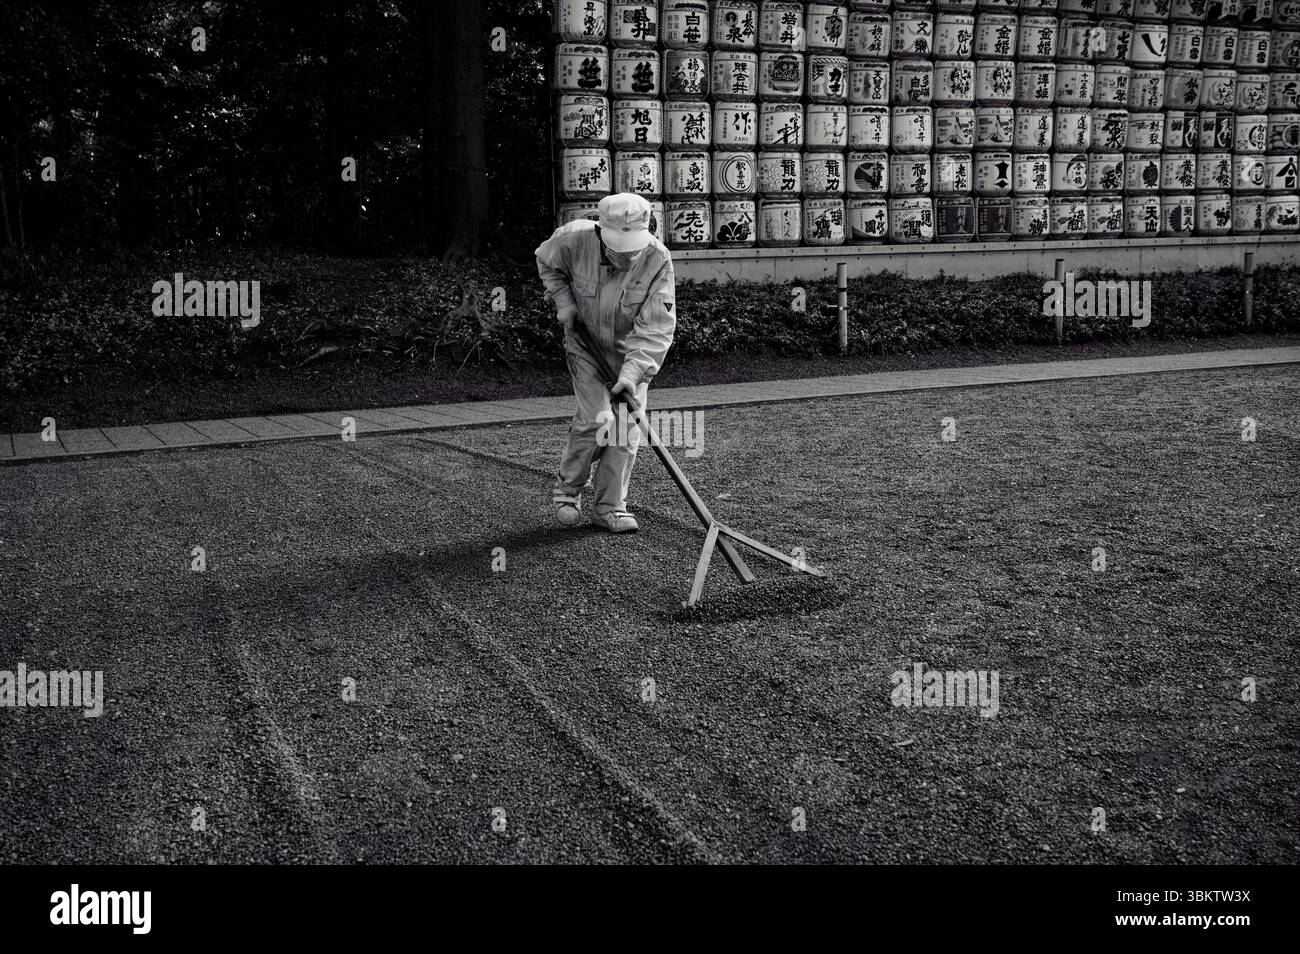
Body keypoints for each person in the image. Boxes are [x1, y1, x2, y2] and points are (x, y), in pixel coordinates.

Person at [534, 193, 677, 534]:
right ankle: (568, 491)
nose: (627, 257)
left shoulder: (658, 259)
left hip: (632, 352)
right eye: (619, 249)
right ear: (601, 234)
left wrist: (631, 374)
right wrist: (564, 302)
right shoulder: (571, 240)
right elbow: (546, 263)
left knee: (625, 429)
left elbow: (656, 328)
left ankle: (610, 506)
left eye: (633, 250)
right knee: (596, 417)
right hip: (585, 345)